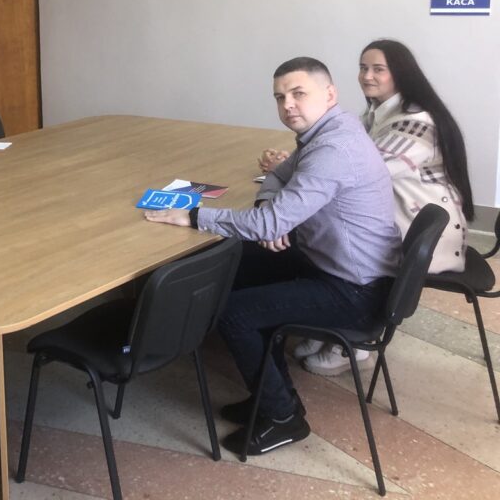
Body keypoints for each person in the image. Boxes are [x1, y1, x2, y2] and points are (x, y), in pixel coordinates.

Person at [145, 57, 400, 457]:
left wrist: (194, 215)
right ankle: (270, 393)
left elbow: (268, 224)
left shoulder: (334, 148)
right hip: (333, 264)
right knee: (236, 263)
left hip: (356, 290)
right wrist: (271, 210)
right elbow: (278, 177)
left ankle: (283, 417)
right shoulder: (330, 129)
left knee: (234, 312)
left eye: (299, 93)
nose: (288, 105)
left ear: (329, 94)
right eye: (280, 97)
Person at [294, 39, 475, 375]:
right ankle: (328, 325)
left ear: (400, 73)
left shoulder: (415, 121)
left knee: (339, 232)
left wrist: (301, 168)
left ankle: (353, 344)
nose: (367, 76)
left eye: (378, 69)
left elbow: (362, 170)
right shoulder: (378, 112)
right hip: (406, 212)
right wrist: (298, 161)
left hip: (425, 228)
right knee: (326, 223)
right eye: (363, 68)